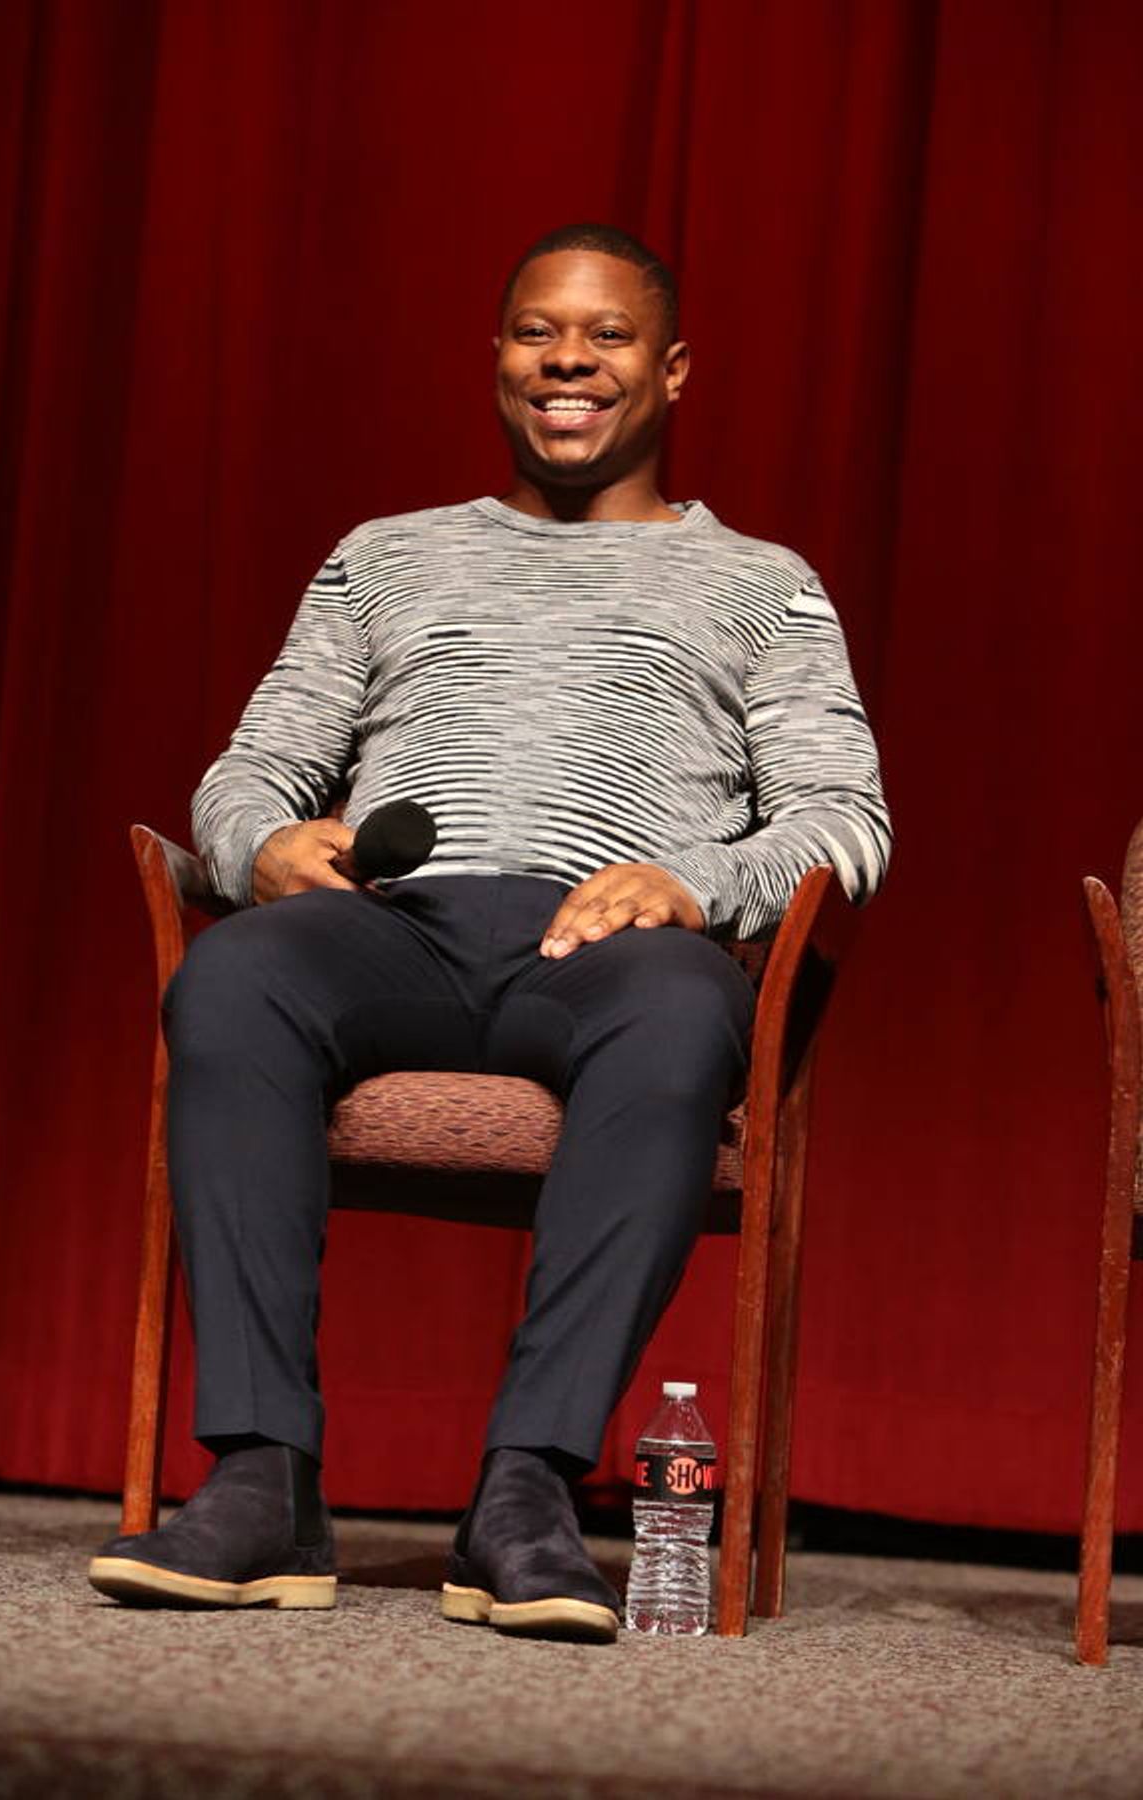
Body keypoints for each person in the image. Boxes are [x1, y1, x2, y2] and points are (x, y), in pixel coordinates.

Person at [88, 223, 891, 1641]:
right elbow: (251, 770)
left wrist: (695, 883)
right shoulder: (385, 559)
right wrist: (262, 842)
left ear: (674, 368)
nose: (568, 359)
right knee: (235, 975)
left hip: (610, 947)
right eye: (536, 331)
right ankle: (263, 1477)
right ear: (500, 356)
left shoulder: (762, 584)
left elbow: (845, 821)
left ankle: (524, 1491)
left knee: (682, 1008)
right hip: (394, 928)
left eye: (608, 334)